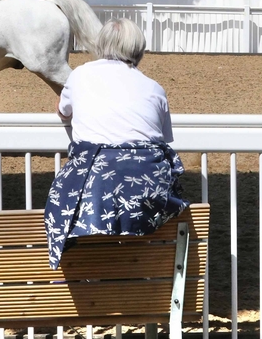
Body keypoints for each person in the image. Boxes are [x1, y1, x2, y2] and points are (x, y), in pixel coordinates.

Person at [44, 18, 189, 269]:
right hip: (148, 186)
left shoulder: (80, 75)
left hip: (94, 182)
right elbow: (162, 139)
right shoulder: (154, 88)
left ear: (101, 44)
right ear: (138, 49)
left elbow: (63, 111)